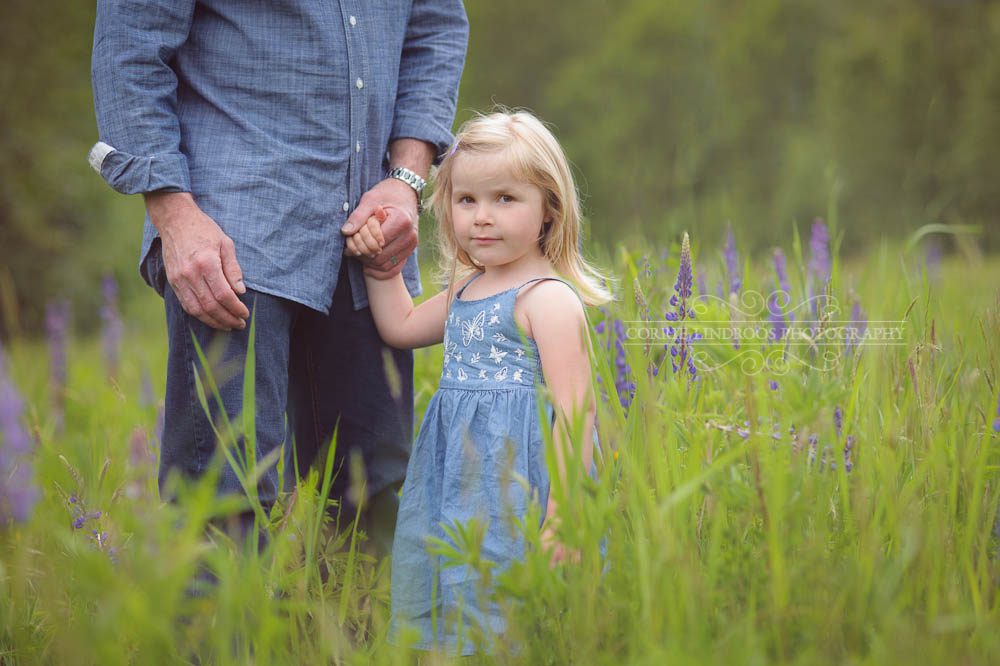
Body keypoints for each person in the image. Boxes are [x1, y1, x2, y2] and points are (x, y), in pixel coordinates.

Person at [88, 1, 469, 551]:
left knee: (375, 501)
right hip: (233, 242)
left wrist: (406, 178)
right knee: (226, 503)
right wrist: (173, 214)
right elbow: (130, 46)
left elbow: (436, 26)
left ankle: (339, 615)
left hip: (370, 237)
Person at [347, 110, 612, 654]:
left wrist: (564, 516)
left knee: (509, 608)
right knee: (455, 599)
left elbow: (575, 412)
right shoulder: (466, 290)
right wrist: (381, 267)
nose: (482, 218)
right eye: (467, 200)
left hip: (518, 482)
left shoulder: (547, 299)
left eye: (505, 199)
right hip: (455, 478)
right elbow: (400, 326)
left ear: (548, 209)